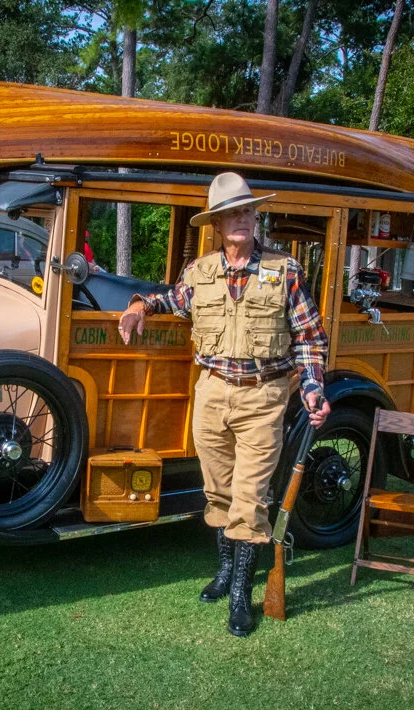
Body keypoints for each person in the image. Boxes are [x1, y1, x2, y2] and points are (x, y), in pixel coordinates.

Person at [118, 172, 331, 637]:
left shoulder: (284, 271)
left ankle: (240, 595)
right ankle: (223, 572)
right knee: (217, 492)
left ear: (256, 218)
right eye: (231, 212)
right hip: (212, 392)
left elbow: (311, 339)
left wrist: (313, 387)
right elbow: (170, 298)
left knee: (250, 499)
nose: (240, 219)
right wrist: (139, 307)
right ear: (216, 223)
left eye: (247, 211)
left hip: (263, 395)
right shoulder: (201, 273)